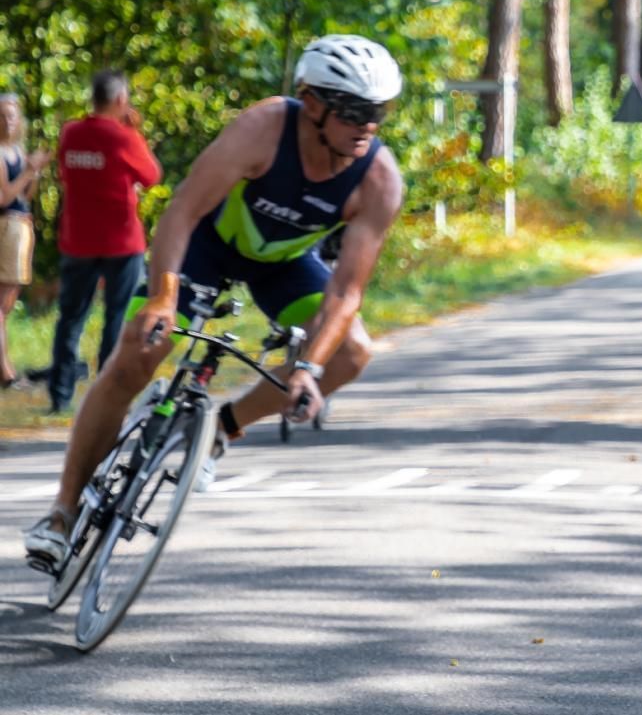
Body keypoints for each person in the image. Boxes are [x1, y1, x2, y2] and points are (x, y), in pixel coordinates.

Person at [24, 34, 405, 567]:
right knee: (137, 350)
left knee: (351, 353)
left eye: (379, 112)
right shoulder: (264, 128)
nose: (368, 125)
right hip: (206, 245)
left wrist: (307, 368)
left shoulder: (380, 180)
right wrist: (162, 298)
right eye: (355, 111)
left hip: (282, 264)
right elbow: (182, 211)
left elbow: (345, 292)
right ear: (312, 102)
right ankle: (62, 513)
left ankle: (219, 432)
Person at [47, 71, 162, 414]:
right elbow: (152, 175)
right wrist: (135, 132)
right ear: (120, 100)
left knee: (70, 319)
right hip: (121, 241)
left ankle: (60, 395)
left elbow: (64, 173)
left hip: (79, 240)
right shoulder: (124, 137)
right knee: (116, 317)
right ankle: (107, 393)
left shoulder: (71, 133)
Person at [0, 94, 49, 388]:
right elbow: (4, 197)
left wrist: (35, 172)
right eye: (3, 115)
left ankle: (5, 368)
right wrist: (28, 171)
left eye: (12, 116)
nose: (8, 121)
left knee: (7, 303)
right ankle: (6, 373)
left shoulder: (17, 151)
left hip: (21, 226)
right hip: (6, 227)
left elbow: (24, 196)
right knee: (1, 305)